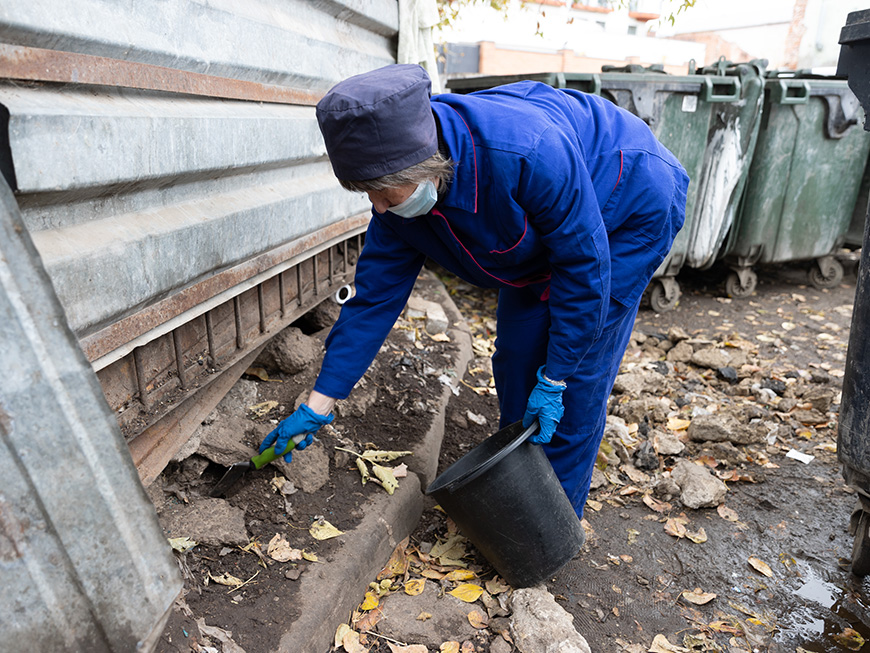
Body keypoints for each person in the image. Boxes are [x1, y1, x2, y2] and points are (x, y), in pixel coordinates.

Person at [259, 63, 688, 519]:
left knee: (575, 378)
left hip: (628, 204)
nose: (377, 206)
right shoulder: (399, 204)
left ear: (425, 163)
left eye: (384, 191)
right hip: (548, 234)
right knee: (518, 358)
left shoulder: (525, 151)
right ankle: (520, 485)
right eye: (367, 193)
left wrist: (557, 376)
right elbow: (373, 300)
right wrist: (319, 403)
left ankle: (552, 529)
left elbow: (584, 268)